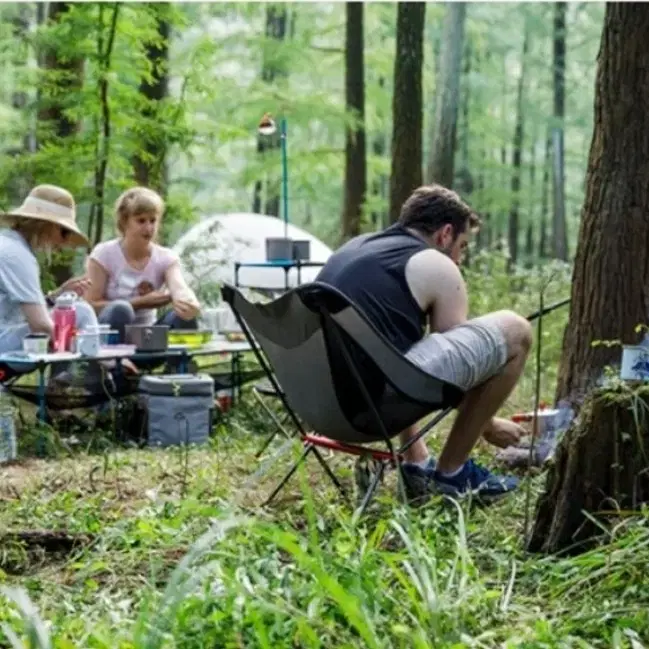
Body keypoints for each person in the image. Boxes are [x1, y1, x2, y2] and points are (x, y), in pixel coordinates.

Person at [316, 184, 532, 501]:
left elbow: (403, 355)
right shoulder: (434, 261)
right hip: (372, 408)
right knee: (517, 330)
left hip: (322, 407)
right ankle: (453, 473)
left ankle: (416, 463)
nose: (459, 258)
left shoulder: (354, 248)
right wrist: (488, 425)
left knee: (402, 347)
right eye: (463, 245)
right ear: (445, 234)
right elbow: (457, 375)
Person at [85, 187, 201, 341]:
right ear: (125, 222)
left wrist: (188, 301)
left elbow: (179, 287)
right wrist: (137, 303)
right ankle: (110, 365)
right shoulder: (103, 254)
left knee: (183, 317)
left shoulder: (165, 257)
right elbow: (90, 305)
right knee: (121, 309)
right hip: (109, 339)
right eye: (141, 221)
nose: (149, 228)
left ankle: (178, 365)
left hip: (147, 339)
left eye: (153, 221)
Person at [0, 185, 98, 357]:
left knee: (67, 313)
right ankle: (97, 374)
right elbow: (41, 326)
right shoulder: (18, 256)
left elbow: (18, 312)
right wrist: (100, 355)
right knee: (81, 312)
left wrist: (56, 296)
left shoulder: (8, 245)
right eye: (64, 232)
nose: (64, 242)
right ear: (45, 225)